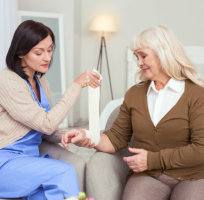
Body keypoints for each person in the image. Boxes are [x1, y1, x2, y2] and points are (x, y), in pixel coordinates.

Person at [62, 25, 204, 200]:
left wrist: (151, 160)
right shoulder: (134, 94)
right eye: (136, 57)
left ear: (164, 53)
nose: (139, 63)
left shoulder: (197, 94)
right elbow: (115, 138)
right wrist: (87, 136)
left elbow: (201, 149)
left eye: (143, 56)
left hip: (193, 177)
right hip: (149, 175)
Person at [0, 20, 100, 200]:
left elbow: (44, 129)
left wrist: (67, 135)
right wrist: (76, 85)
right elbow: (45, 124)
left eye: (49, 49)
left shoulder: (41, 82)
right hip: (5, 163)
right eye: (39, 52)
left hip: (28, 160)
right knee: (63, 172)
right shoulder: (7, 81)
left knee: (49, 195)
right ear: (21, 53)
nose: (47, 57)